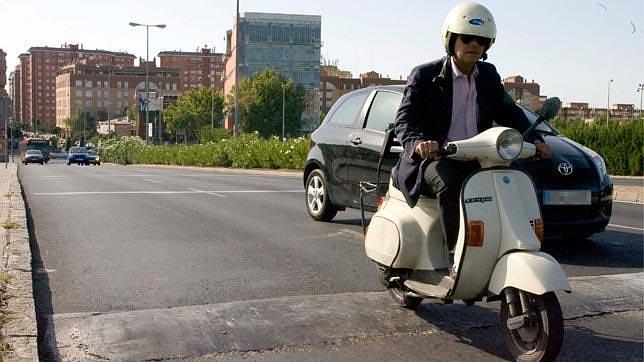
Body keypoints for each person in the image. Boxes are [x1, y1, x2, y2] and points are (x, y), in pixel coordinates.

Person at [393, 2, 551, 250]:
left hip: (480, 157)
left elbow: (509, 112)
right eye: (467, 38)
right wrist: (419, 144)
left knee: (518, 178)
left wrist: (538, 140)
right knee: (450, 182)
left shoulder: (488, 75)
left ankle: (511, 244)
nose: (474, 45)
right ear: (451, 39)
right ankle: (456, 255)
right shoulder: (425, 75)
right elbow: (404, 121)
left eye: (482, 40)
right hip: (436, 158)